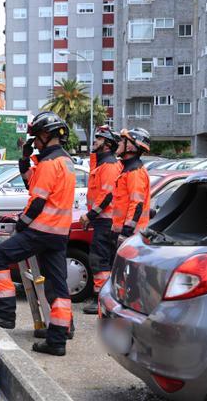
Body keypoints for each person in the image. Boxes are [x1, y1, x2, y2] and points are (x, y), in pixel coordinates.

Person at [0, 111, 75, 357]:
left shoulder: (49, 164)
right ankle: (57, 340)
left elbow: (38, 201)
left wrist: (22, 223)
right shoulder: (66, 161)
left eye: (36, 137)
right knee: (58, 288)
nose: (34, 142)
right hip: (59, 233)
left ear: (46, 135)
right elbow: (35, 186)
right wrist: (24, 161)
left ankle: (5, 314)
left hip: (40, 231)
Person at [79, 126, 122, 315]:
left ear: (107, 144)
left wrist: (90, 215)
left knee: (100, 261)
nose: (95, 140)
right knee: (104, 261)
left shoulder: (110, 166)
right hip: (103, 221)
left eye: (99, 138)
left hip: (106, 221)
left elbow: (107, 196)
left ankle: (100, 300)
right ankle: (104, 299)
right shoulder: (103, 164)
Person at [112, 128, 151, 245]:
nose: (118, 143)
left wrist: (125, 233)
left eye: (121, 141)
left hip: (131, 237)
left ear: (129, 146)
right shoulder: (128, 169)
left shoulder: (135, 172)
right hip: (123, 233)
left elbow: (137, 205)